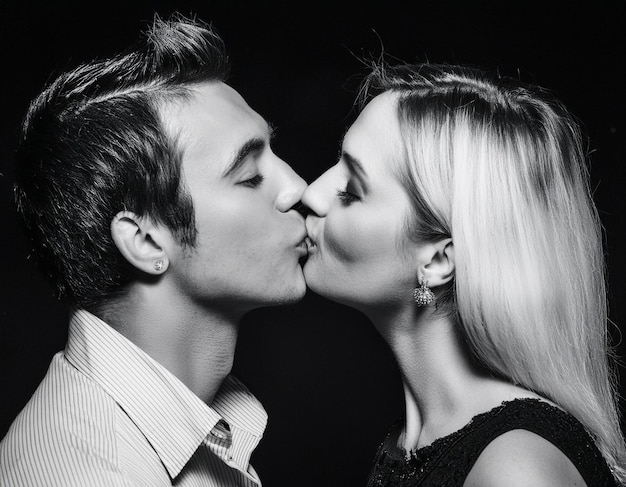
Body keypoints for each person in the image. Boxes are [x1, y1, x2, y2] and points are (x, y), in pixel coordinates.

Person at [0, 13, 308, 487]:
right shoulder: (88, 473)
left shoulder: (185, 426)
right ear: (144, 241)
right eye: (249, 176)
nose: (297, 188)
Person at [301, 61, 626, 486]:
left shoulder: (515, 466)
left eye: (352, 190)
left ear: (437, 262)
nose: (312, 193)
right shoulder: (416, 439)